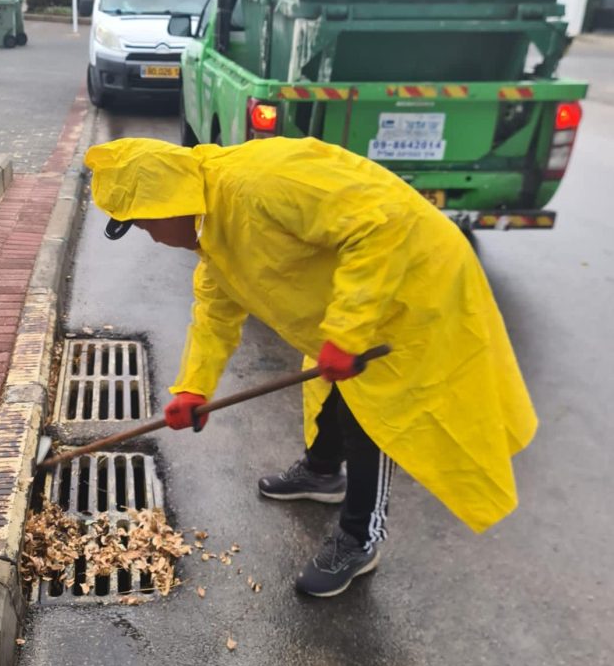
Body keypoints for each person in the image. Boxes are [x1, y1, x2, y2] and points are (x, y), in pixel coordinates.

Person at [83, 136, 537, 598]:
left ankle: (361, 539)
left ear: (166, 201)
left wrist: (347, 332)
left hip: (412, 290)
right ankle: (322, 472)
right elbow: (215, 317)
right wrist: (193, 390)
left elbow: (380, 227)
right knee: (335, 391)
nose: (152, 237)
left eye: (144, 225)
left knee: (372, 419)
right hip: (359, 306)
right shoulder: (214, 236)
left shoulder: (260, 183)